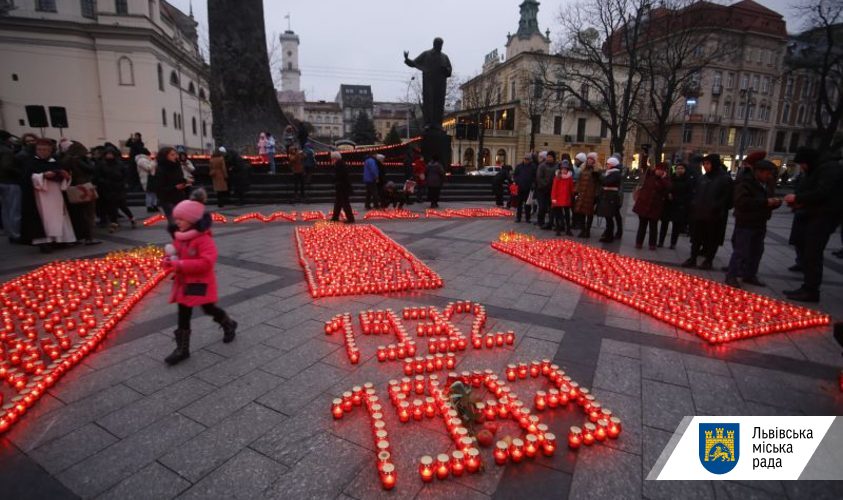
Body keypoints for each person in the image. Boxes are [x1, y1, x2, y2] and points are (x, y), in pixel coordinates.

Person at [161, 191, 237, 365]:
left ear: (192, 220)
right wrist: (168, 260)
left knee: (209, 308)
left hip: (201, 283)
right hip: (183, 283)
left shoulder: (203, 239)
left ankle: (228, 323)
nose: (176, 222)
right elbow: (176, 254)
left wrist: (180, 265)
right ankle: (182, 349)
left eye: (180, 219)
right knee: (183, 313)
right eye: (176, 219)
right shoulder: (179, 237)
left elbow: (206, 263)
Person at [782, 147, 843, 302]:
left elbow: (823, 193)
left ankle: (811, 290)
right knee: (809, 253)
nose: (801, 167)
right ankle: (808, 287)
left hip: (823, 218)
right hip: (814, 216)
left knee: (813, 254)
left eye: (802, 164)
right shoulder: (819, 169)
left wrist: (798, 198)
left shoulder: (829, 170)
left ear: (809, 161)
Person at [725, 160, 782, 288]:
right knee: (741, 251)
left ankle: (749, 275)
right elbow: (741, 202)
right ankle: (731, 275)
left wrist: (775, 203)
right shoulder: (745, 183)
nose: (770, 176)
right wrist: (765, 202)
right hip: (746, 222)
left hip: (760, 222)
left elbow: (766, 201)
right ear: (758, 172)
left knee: (757, 251)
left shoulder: (767, 184)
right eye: (768, 173)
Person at [23, 139, 76, 251]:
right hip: (40, 194)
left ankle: (60, 240)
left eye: (45, 150)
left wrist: (66, 176)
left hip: (56, 192)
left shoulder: (55, 161)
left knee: (59, 216)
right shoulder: (31, 162)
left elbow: (64, 175)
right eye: (39, 149)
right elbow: (26, 178)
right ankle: (45, 242)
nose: (42, 152)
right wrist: (42, 176)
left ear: (50, 150)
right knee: (44, 218)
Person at [682, 154, 732, 270]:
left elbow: (728, 199)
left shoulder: (724, 179)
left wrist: (717, 207)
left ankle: (708, 260)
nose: (705, 166)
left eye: (708, 164)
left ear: (714, 164)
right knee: (696, 239)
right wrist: (693, 204)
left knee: (712, 240)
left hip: (715, 216)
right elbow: (696, 193)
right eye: (704, 164)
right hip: (699, 214)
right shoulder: (702, 178)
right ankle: (693, 258)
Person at [403, 38, 452, 130]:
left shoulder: (444, 57)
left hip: (440, 84)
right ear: (434, 44)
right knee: (429, 102)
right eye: (438, 44)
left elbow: (449, 70)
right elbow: (414, 62)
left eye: (441, 45)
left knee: (439, 104)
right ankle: (428, 123)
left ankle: (438, 123)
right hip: (429, 82)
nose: (440, 47)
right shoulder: (426, 54)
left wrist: (446, 70)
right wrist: (407, 59)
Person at [62, 141, 100, 245]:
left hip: (73, 188)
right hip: (84, 187)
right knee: (89, 213)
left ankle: (78, 236)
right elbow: (91, 169)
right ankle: (89, 237)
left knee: (78, 214)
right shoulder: (78, 160)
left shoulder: (66, 160)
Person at [96, 144, 136, 232]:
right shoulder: (102, 164)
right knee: (112, 207)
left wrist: (123, 183)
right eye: (107, 154)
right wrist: (104, 182)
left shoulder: (119, 164)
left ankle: (131, 218)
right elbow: (98, 176)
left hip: (119, 187)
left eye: (111, 154)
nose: (109, 156)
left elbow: (125, 175)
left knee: (122, 205)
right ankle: (113, 223)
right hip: (108, 188)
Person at [632, 162, 671, 250]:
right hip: (643, 204)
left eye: (661, 170)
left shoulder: (666, 180)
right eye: (658, 169)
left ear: (664, 171)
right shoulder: (649, 176)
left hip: (655, 206)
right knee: (642, 225)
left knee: (653, 227)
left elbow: (668, 188)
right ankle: (639, 243)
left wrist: (663, 179)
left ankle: (652, 244)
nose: (659, 171)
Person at [658, 163, 692, 249]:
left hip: (679, 205)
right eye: (678, 168)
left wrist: (682, 201)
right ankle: (661, 242)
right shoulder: (670, 178)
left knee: (676, 226)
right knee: (664, 224)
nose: (679, 170)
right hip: (668, 204)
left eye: (681, 168)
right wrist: (667, 194)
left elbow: (689, 194)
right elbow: (664, 188)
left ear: (684, 170)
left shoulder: (688, 180)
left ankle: (673, 243)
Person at [155, 146, 188, 224]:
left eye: (175, 154)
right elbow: (159, 188)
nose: (176, 156)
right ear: (165, 156)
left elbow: (180, 178)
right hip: (168, 200)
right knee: (174, 223)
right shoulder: (161, 169)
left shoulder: (177, 165)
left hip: (179, 197)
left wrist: (185, 181)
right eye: (172, 155)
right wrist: (175, 187)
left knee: (183, 222)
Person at [0, 130, 22, 243]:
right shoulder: (6, 151)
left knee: (5, 209)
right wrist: (20, 172)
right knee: (14, 209)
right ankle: (16, 234)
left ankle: (10, 232)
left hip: (2, 182)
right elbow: (7, 166)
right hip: (10, 182)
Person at [574, 152, 600, 238]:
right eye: (588, 159)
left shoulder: (596, 171)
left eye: (591, 160)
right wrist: (576, 191)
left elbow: (598, 184)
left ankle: (587, 230)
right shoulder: (582, 170)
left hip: (591, 195)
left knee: (589, 213)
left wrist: (596, 195)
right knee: (581, 212)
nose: (589, 161)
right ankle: (583, 229)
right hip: (582, 193)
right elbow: (579, 181)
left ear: (594, 161)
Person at [597, 156, 623, 243]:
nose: (606, 165)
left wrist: (600, 177)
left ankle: (609, 236)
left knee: (609, 217)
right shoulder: (610, 172)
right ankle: (608, 234)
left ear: (612, 165)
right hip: (608, 197)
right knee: (608, 217)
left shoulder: (615, 174)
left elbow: (606, 182)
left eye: (608, 164)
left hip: (611, 198)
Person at [551, 160, 575, 236]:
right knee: (558, 214)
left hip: (566, 198)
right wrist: (553, 198)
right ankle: (558, 228)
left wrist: (573, 195)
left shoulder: (569, 178)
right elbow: (554, 189)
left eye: (565, 169)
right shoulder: (557, 177)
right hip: (557, 198)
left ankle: (568, 229)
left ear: (568, 169)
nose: (564, 170)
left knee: (567, 215)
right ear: (560, 169)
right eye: (563, 169)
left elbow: (571, 188)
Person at [330, 151, 354, 223]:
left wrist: (334, 178)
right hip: (342, 186)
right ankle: (335, 217)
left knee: (345, 203)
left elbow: (340, 176)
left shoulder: (339, 164)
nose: (332, 160)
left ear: (335, 158)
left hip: (342, 187)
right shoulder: (340, 163)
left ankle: (350, 219)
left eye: (332, 159)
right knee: (338, 203)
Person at [535, 151, 557, 230]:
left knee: (552, 207)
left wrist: (553, 185)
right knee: (542, 207)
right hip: (542, 190)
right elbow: (539, 177)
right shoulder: (542, 166)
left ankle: (550, 223)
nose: (549, 158)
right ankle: (540, 222)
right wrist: (545, 185)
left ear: (553, 158)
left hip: (552, 191)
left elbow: (557, 177)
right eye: (548, 157)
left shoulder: (556, 166)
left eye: (551, 157)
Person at [513, 153, 537, 223]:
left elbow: (535, 177)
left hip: (528, 188)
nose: (526, 160)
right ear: (523, 159)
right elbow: (515, 175)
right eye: (525, 159)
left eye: (528, 159)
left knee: (528, 204)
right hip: (520, 187)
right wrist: (517, 181)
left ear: (530, 160)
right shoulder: (519, 166)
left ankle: (527, 218)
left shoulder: (533, 167)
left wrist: (533, 184)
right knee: (519, 204)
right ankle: (518, 217)